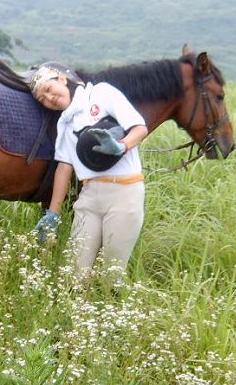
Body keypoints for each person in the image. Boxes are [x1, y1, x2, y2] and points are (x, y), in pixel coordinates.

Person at [31, 66, 148, 278]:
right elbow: (64, 167)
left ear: (62, 79)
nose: (50, 97)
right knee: (74, 273)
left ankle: (111, 302)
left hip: (124, 192)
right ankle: (77, 309)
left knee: (112, 272)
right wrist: (53, 213)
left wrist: (122, 146)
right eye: (43, 99)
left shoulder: (101, 93)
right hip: (89, 196)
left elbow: (140, 128)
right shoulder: (65, 123)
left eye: (49, 88)